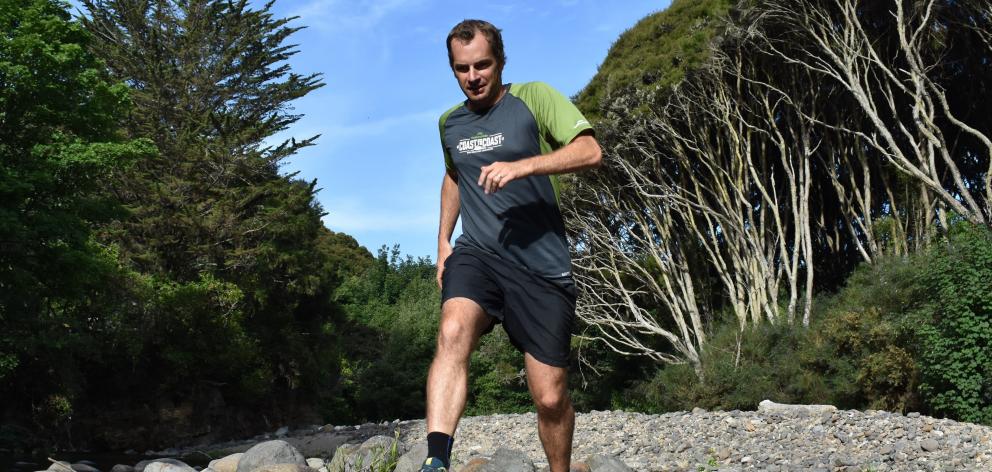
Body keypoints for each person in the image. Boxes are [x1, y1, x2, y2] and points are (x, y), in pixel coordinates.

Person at [420, 19, 602, 472]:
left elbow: (589, 150)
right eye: (462, 69)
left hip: (541, 267)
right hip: (478, 252)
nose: (473, 76)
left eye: (482, 65)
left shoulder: (534, 98)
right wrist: (443, 241)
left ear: (501, 61)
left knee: (550, 397)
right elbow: (455, 175)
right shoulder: (450, 123)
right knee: (452, 330)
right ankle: (435, 460)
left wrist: (525, 167)